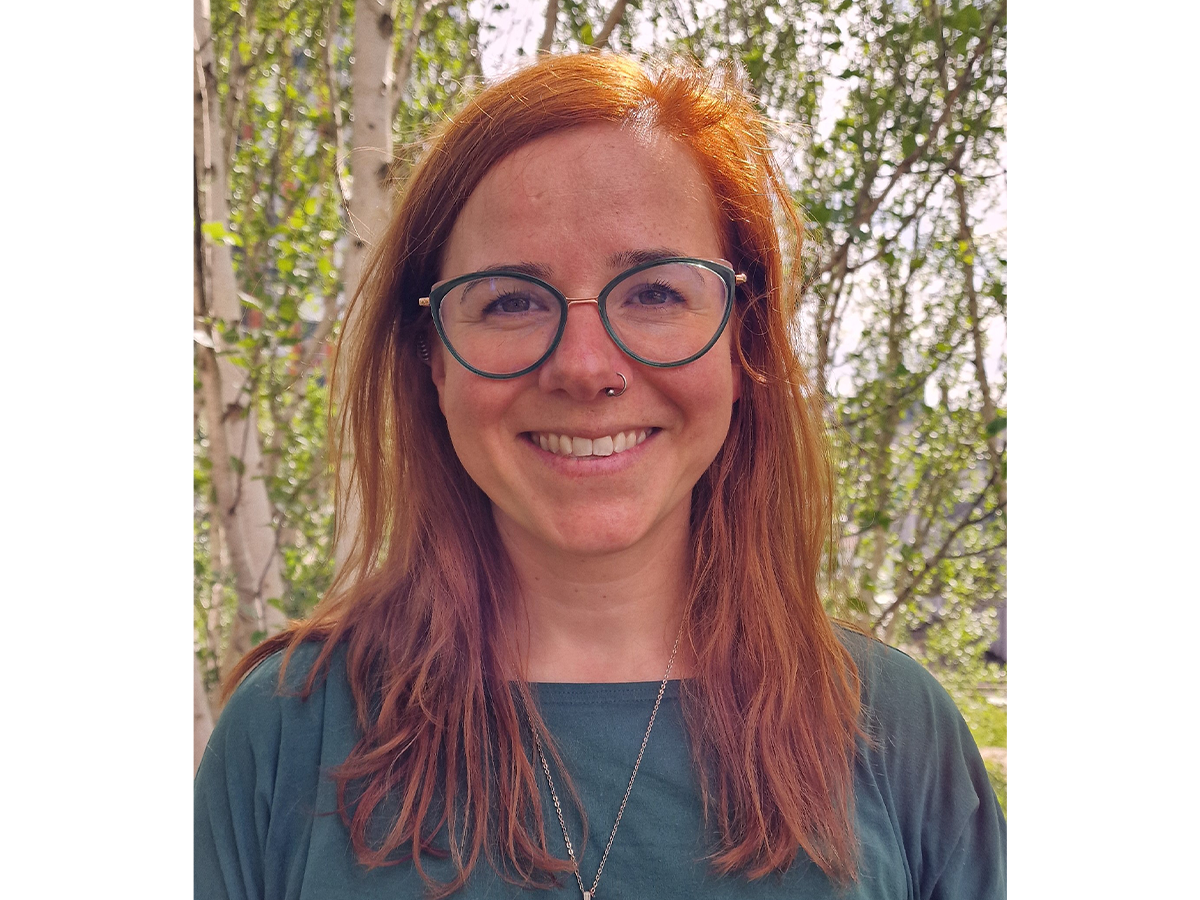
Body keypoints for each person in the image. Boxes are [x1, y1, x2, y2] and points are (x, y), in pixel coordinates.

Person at [194, 52, 1006, 900]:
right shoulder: (287, 735)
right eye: (510, 299)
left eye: (654, 292)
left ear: (743, 339)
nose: (585, 367)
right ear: (432, 357)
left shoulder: (894, 732)